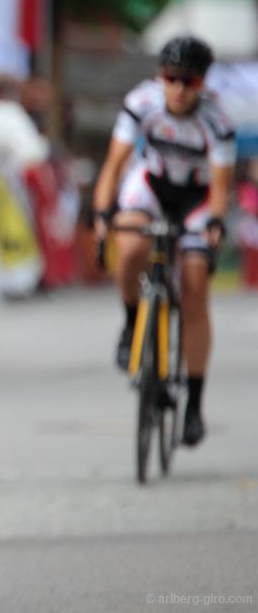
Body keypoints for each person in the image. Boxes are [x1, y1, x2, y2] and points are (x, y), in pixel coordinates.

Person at [92, 35, 233, 446]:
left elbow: (220, 187)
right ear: (160, 76)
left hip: (196, 197)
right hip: (151, 185)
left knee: (194, 286)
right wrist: (102, 214)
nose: (179, 89)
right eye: (171, 78)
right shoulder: (141, 102)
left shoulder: (217, 120)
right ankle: (131, 322)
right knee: (130, 244)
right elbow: (114, 165)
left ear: (202, 83)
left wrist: (215, 223)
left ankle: (194, 404)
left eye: (189, 81)